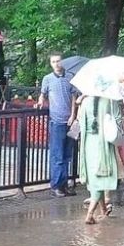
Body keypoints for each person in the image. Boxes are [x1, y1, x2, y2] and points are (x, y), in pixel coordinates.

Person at [77, 95, 122, 221]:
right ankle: (90, 214)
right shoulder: (109, 100)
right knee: (100, 178)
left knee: (94, 178)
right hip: (102, 143)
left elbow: (80, 120)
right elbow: (118, 119)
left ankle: (103, 209)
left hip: (88, 144)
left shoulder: (85, 102)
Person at [39, 54, 77, 197]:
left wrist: (73, 115)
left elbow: (74, 97)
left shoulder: (70, 77)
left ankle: (64, 184)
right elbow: (43, 94)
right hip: (56, 121)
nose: (56, 63)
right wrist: (41, 101)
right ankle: (56, 185)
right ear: (50, 63)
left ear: (62, 62)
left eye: (58, 61)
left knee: (67, 155)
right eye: (53, 61)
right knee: (57, 155)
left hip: (70, 121)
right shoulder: (47, 79)